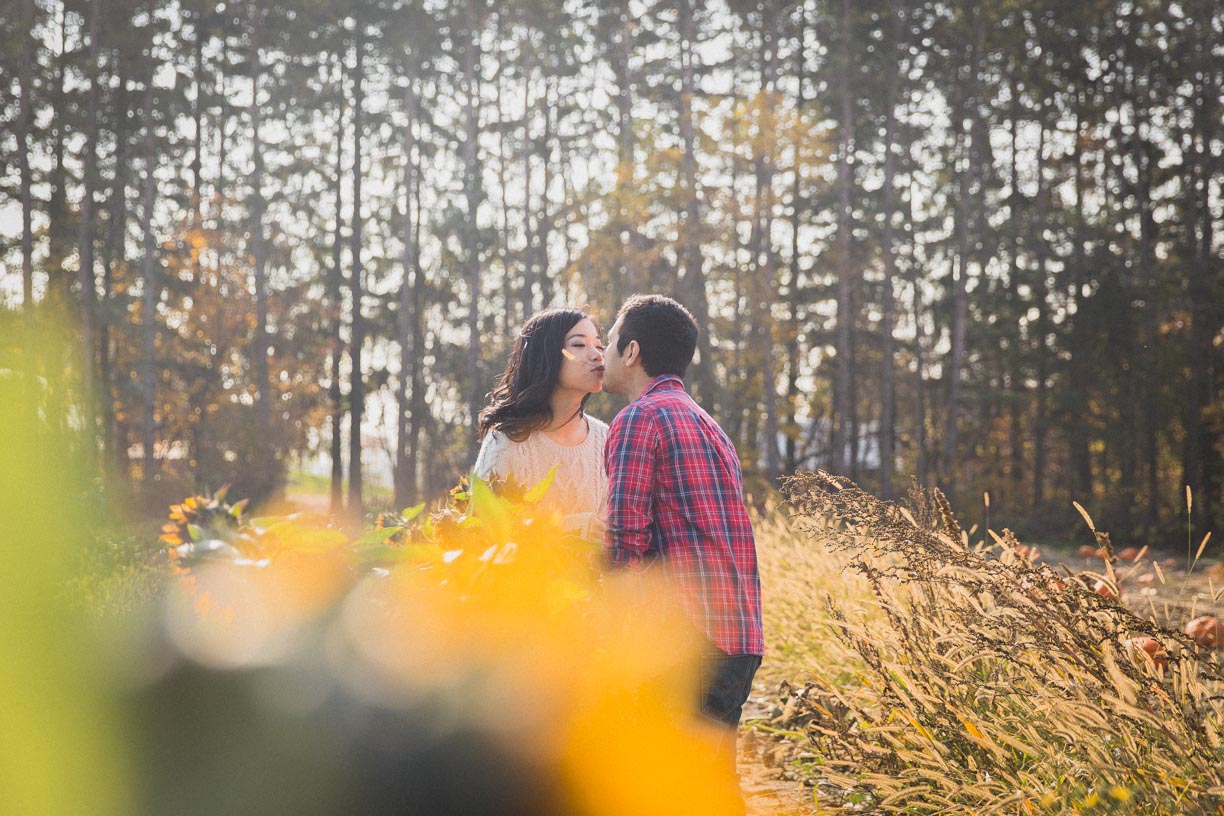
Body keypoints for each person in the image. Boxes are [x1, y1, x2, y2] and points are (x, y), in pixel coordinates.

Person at [601, 294, 764, 790]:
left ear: (630, 352)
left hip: (687, 638)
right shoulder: (709, 424)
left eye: (608, 341)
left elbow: (625, 541)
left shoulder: (639, 419)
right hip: (738, 635)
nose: (602, 353)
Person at [474, 306, 608, 541]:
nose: (597, 355)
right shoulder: (508, 441)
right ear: (546, 354)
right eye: (579, 345)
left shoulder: (606, 439)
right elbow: (481, 534)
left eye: (599, 346)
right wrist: (576, 527)